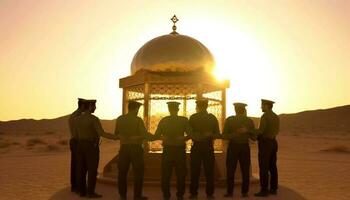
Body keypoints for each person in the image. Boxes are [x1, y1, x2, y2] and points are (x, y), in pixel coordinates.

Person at [75, 99, 117, 198]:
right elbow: (101, 133)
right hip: (91, 146)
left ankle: (82, 191)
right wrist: (115, 137)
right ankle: (90, 192)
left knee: (82, 169)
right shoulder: (93, 119)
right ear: (90, 106)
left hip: (80, 145)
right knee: (92, 169)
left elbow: (76, 135)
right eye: (94, 106)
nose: (95, 108)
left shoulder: (77, 119)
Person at [152, 102, 192, 200]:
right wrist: (183, 139)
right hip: (179, 150)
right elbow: (190, 134)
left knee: (165, 174)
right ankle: (180, 195)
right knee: (181, 174)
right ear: (177, 109)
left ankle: (166, 195)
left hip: (167, 150)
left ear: (169, 109)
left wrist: (164, 138)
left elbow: (156, 136)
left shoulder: (164, 120)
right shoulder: (183, 120)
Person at [114, 100, 152, 200]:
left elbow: (116, 134)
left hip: (124, 148)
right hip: (136, 148)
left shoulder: (120, 119)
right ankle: (137, 195)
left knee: (122, 172)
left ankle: (122, 195)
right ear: (135, 109)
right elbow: (143, 134)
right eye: (138, 109)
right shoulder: (138, 120)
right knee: (138, 172)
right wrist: (154, 137)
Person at [222, 103, 256, 198]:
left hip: (233, 147)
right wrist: (247, 131)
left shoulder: (230, 120)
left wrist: (233, 134)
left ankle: (230, 192)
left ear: (235, 110)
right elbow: (254, 138)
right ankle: (244, 192)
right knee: (245, 170)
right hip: (244, 147)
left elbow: (224, 136)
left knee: (230, 170)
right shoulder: (249, 121)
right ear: (244, 110)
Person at [189, 99, 221, 200]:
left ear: (198, 107)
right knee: (209, 171)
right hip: (208, 146)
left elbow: (190, 134)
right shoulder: (212, 118)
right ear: (206, 106)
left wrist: (198, 136)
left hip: (197, 146)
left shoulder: (193, 117)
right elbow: (217, 134)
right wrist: (209, 135)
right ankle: (210, 193)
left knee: (195, 171)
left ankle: (193, 193)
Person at [254, 99, 280, 197]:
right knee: (273, 166)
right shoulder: (276, 117)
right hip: (273, 142)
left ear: (266, 106)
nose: (261, 107)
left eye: (262, 105)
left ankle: (264, 190)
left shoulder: (265, 116)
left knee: (264, 167)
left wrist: (249, 131)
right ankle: (273, 189)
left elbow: (261, 131)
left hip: (265, 144)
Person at [68, 98, 86, 193]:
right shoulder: (78, 117)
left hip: (74, 140)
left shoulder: (73, 115)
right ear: (82, 106)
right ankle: (78, 186)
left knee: (75, 164)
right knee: (79, 164)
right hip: (77, 141)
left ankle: (74, 185)